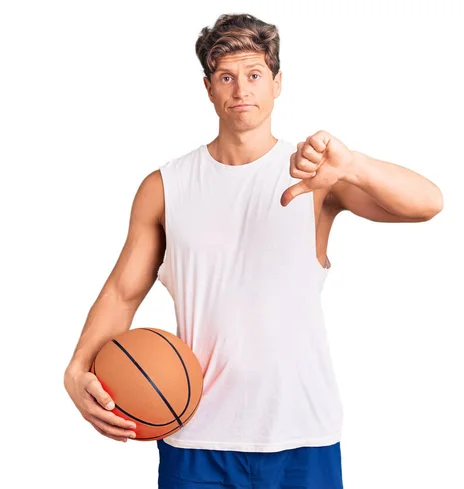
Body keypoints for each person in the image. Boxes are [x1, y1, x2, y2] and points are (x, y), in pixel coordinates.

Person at [64, 12, 443, 489]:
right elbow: (122, 293)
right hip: (195, 437)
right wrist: (77, 368)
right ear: (208, 87)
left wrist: (356, 167)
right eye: (226, 76)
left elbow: (428, 204)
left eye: (254, 74)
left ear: (277, 82)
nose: (241, 88)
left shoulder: (317, 176)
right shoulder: (165, 187)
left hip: (301, 434)